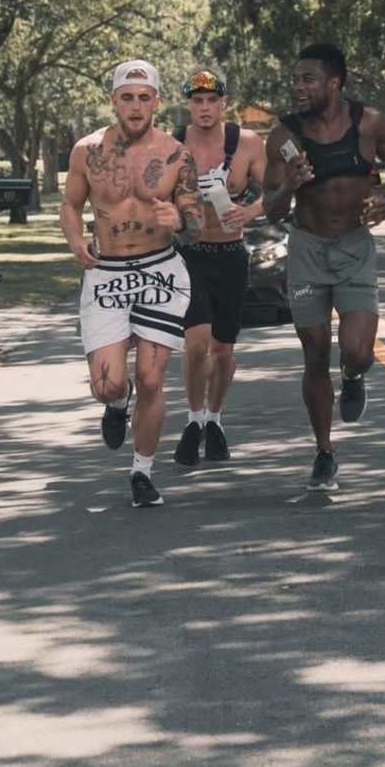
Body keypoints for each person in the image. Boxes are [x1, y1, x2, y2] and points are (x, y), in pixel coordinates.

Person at [263, 43, 385, 492]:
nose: (298, 87)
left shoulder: (370, 123)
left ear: (333, 83)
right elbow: (271, 210)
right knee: (314, 354)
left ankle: (352, 376)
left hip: (353, 249)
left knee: (358, 351)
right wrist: (290, 186)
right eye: (295, 80)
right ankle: (324, 453)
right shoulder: (284, 137)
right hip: (307, 250)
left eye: (307, 79)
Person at [60, 60, 204, 508]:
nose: (136, 106)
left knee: (151, 378)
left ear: (156, 101)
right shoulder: (87, 150)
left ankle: (142, 471)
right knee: (107, 385)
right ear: (114, 100)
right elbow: (70, 204)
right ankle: (118, 403)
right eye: (127, 97)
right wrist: (75, 239)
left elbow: (197, 224)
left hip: (161, 271)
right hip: (107, 274)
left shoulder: (177, 154)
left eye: (144, 97)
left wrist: (179, 220)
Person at [171, 69, 267, 467]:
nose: (205, 108)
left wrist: (248, 211)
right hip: (187, 255)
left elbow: (275, 191)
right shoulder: (171, 144)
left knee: (223, 351)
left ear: (223, 102)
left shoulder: (247, 143)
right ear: (188, 105)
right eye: (197, 101)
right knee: (196, 346)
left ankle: (214, 419)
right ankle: (193, 420)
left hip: (230, 255)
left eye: (212, 100)